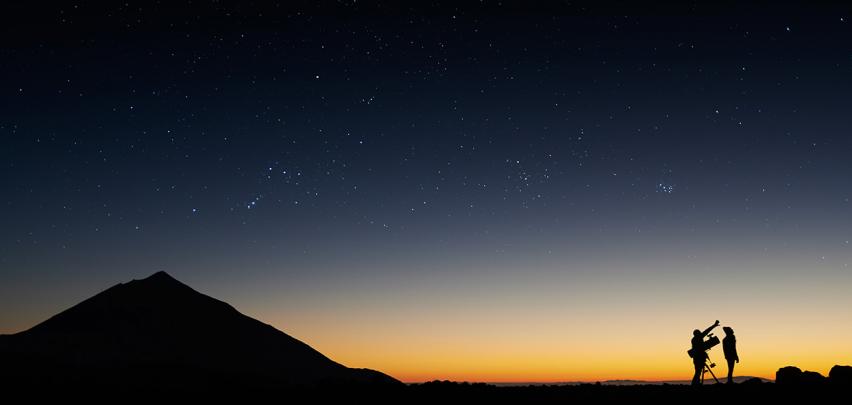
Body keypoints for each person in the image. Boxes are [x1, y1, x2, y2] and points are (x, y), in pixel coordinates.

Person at [691, 320, 720, 386]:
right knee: (698, 372)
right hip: (699, 358)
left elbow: (706, 332)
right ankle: (695, 384)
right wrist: (714, 325)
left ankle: (696, 383)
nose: (701, 333)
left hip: (697, 358)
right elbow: (707, 331)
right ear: (697, 334)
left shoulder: (694, 339)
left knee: (698, 372)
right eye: (700, 333)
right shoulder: (697, 338)